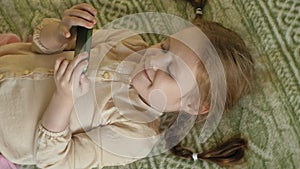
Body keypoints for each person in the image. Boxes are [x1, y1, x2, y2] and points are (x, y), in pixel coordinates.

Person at [0, 0, 254, 168]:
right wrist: (60, 32)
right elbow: (40, 46)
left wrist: (64, 98)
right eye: (165, 46)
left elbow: (54, 161)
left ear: (194, 104)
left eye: (171, 71)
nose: (153, 58)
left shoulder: (135, 134)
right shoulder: (127, 42)